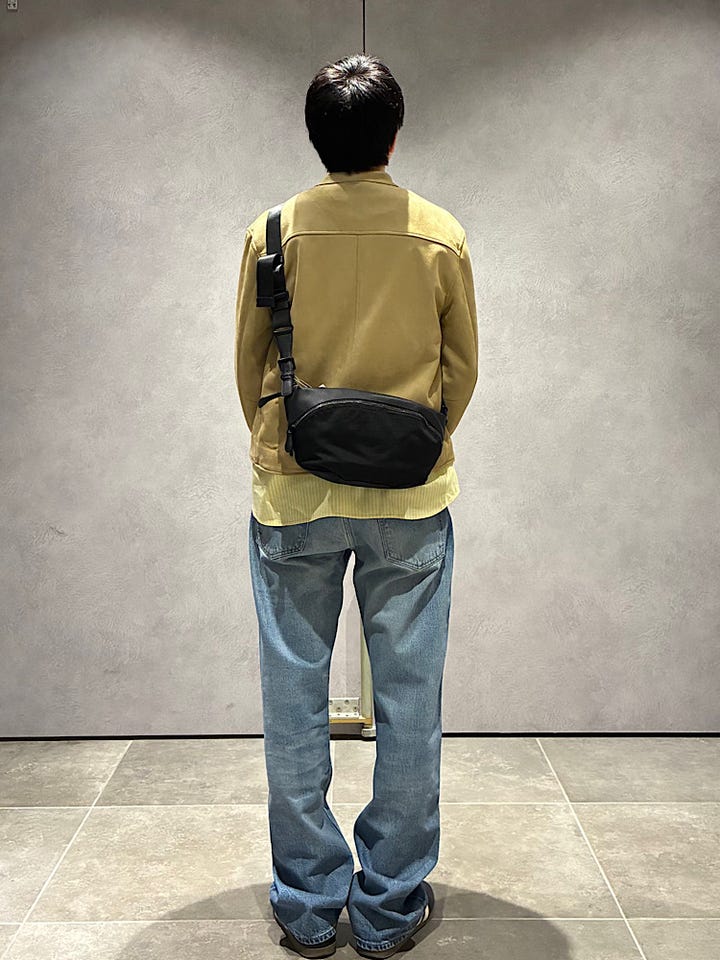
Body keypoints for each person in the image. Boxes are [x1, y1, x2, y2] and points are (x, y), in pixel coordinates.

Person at [235, 53, 477, 959]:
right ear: (394, 136)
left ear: (315, 136)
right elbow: (461, 372)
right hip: (410, 499)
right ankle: (387, 904)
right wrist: (411, 443)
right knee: (410, 700)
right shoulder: (440, 236)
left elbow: (251, 369)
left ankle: (307, 902)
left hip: (294, 494)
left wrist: (291, 445)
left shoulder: (271, 233)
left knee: (293, 694)